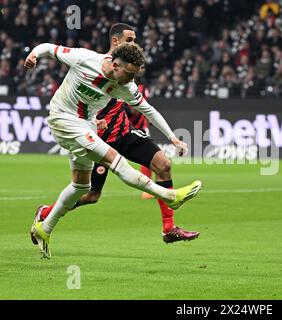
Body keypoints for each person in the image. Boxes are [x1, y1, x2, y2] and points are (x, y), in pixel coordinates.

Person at [24, 41, 202, 259]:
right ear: (115, 65)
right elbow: (49, 49)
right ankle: (169, 195)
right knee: (114, 159)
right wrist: (33, 55)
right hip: (63, 119)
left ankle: (45, 227)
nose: (132, 80)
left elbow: (148, 110)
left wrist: (173, 138)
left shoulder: (126, 86)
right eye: (129, 73)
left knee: (82, 187)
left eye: (135, 75)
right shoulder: (84, 59)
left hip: (86, 125)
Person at [62, 23, 199, 243]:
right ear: (115, 41)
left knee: (163, 164)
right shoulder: (91, 65)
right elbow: (73, 106)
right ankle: (48, 213)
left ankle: (169, 229)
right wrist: (91, 123)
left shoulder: (128, 73)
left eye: (135, 39)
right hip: (99, 141)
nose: (134, 44)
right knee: (90, 195)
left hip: (124, 134)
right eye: (129, 40)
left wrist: (172, 137)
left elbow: (147, 108)